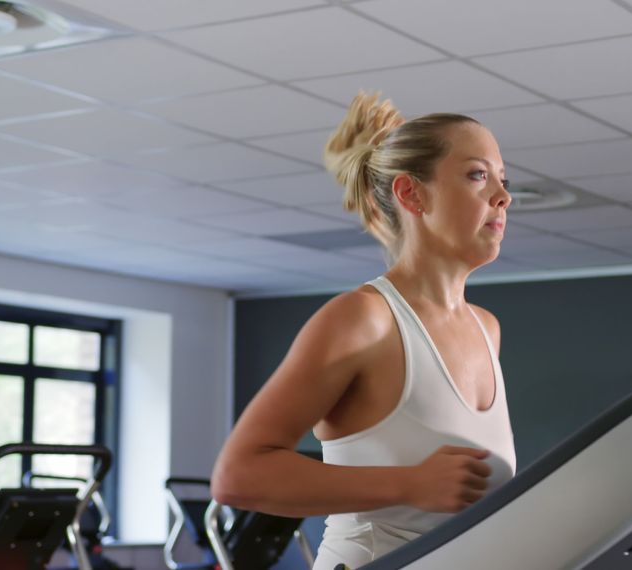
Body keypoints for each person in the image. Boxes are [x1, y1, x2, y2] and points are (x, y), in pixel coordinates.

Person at [210, 92, 516, 569]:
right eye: (478, 175)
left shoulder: (486, 329)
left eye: (503, 179)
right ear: (411, 193)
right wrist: (409, 483)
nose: (503, 195)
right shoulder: (363, 319)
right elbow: (239, 476)